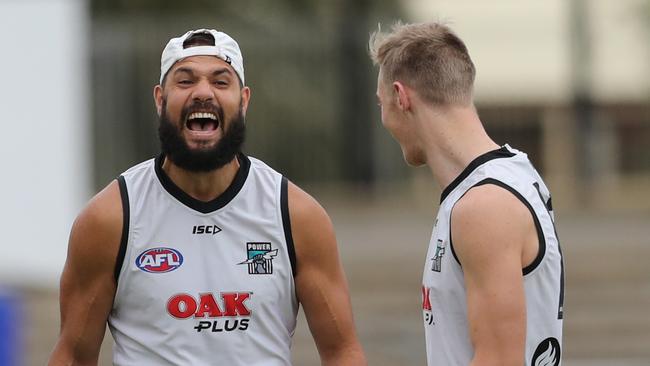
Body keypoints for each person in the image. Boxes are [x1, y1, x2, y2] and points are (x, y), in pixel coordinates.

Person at [48, 28, 367, 366]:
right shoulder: (111, 218)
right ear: (160, 99)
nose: (203, 92)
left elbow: (341, 351)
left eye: (220, 81)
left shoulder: (295, 214)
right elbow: (72, 355)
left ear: (243, 100)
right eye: (185, 81)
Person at [369, 22, 564, 365]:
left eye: (381, 102)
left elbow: (499, 360)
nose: (383, 116)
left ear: (401, 97)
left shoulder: (483, 206)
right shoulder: (507, 176)